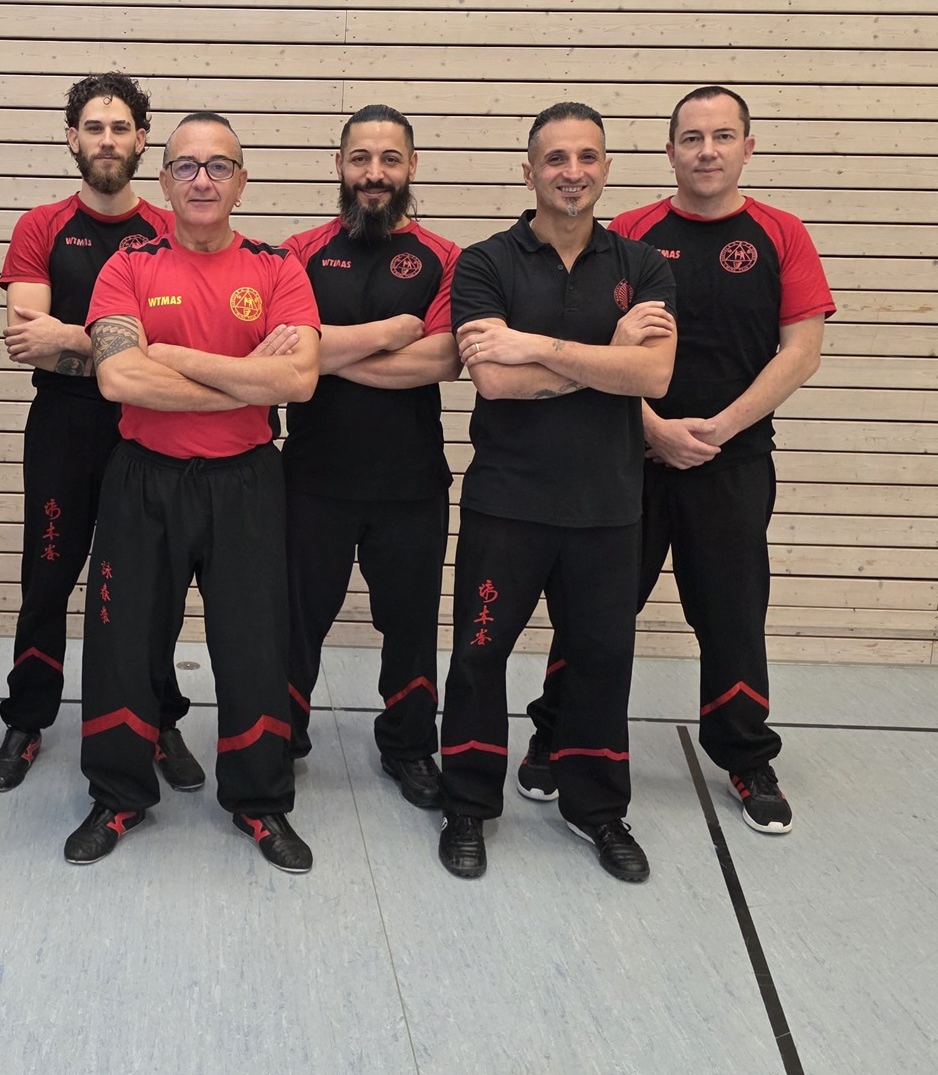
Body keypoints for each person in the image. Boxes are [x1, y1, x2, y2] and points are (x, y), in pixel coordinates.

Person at [520, 87, 834, 835]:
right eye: (691, 138)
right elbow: (595, 354)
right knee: (594, 609)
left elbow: (802, 351)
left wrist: (719, 428)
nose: (707, 151)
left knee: (732, 613)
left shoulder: (782, 234)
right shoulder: (629, 234)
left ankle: (746, 754)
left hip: (733, 461)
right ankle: (556, 730)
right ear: (669, 153)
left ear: (747, 148)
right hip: (627, 458)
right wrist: (654, 429)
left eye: (722, 137)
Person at [66, 112, 321, 873]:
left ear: (242, 181)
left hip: (247, 482)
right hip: (144, 479)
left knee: (253, 643)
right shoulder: (128, 266)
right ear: (164, 179)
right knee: (123, 640)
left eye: (219, 166)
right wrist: (247, 379)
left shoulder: (278, 269)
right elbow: (119, 376)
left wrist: (171, 355)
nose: (202, 179)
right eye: (186, 166)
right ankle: (117, 795)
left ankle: (259, 800)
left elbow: (299, 380)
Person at [438, 102, 677, 883]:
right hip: (507, 503)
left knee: (601, 660)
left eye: (587, 156)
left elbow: (653, 374)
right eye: (555, 158)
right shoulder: (485, 263)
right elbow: (495, 381)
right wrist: (606, 359)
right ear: (529, 171)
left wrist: (536, 345)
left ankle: (597, 808)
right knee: (479, 656)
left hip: (609, 508)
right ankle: (468, 803)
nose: (572, 172)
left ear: (606, 168)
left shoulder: (644, 266)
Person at [0, 73, 201, 795]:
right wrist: (124, 351)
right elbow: (29, 343)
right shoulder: (41, 227)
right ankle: (27, 718)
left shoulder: (170, 229)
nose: (107, 140)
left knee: (150, 584)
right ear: (72, 138)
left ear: (143, 140)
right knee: (47, 576)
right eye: (94, 127)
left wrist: (77, 340)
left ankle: (159, 717)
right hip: (65, 428)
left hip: (148, 426)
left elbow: (181, 342)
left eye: (121, 128)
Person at [280, 105, 461, 810]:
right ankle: (281, 737)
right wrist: (387, 335)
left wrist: (323, 354)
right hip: (312, 479)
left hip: (410, 484)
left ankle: (409, 746)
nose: (374, 173)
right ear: (339, 166)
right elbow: (282, 352)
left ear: (412, 167)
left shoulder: (446, 257)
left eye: (389, 159)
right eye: (360, 158)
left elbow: (441, 359)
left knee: (410, 626)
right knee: (294, 621)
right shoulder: (298, 252)